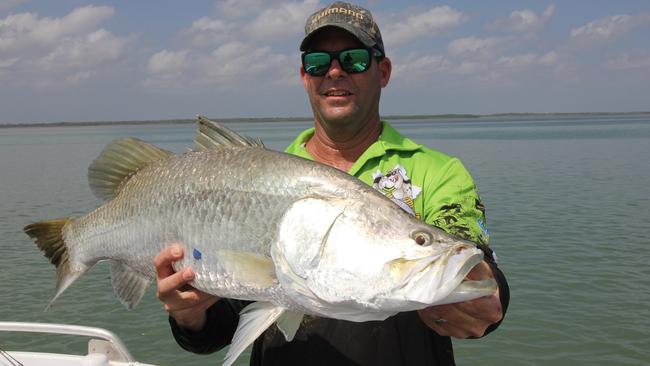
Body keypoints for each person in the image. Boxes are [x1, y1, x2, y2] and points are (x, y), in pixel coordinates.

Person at [154, 2, 509, 365]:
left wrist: (484, 292)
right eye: (318, 63)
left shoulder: (437, 173)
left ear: (383, 71)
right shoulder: (256, 183)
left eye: (353, 60)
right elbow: (223, 323)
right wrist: (189, 315)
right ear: (304, 76)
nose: (335, 73)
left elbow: (472, 260)